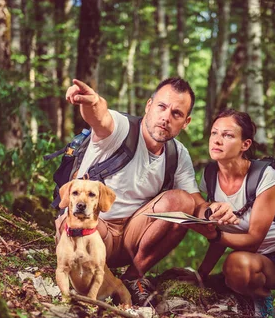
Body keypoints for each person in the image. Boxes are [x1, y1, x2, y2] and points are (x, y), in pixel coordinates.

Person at [56, 77, 202, 305]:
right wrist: (92, 102)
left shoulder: (178, 154)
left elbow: (196, 203)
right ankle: (97, 282)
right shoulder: (122, 128)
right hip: (93, 228)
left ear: (186, 122)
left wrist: (214, 212)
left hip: (131, 236)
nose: (166, 117)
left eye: (176, 113)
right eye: (162, 107)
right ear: (149, 106)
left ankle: (132, 278)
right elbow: (101, 118)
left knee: (183, 203)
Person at [190, 109, 275, 318]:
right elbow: (219, 230)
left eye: (228, 135)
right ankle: (262, 298)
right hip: (261, 263)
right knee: (235, 266)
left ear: (245, 144)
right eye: (214, 133)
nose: (217, 140)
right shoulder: (209, 175)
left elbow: (254, 237)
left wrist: (216, 235)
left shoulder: (265, 175)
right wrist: (201, 275)